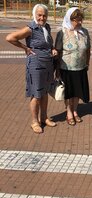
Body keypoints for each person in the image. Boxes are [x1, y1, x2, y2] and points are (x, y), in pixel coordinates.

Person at [6, 4, 57, 134]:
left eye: (44, 15)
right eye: (39, 15)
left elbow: (48, 44)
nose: (42, 17)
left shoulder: (46, 27)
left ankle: (44, 117)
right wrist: (25, 48)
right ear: (35, 15)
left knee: (45, 92)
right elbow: (10, 38)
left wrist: (52, 49)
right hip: (36, 64)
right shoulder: (31, 28)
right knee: (36, 94)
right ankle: (34, 121)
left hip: (47, 64)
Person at [55, 7, 91, 126]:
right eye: (76, 20)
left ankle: (75, 111)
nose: (79, 22)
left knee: (77, 92)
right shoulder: (62, 32)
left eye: (80, 20)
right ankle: (69, 113)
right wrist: (57, 70)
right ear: (69, 19)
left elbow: (88, 49)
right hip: (66, 68)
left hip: (81, 67)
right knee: (69, 92)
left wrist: (87, 62)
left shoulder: (84, 32)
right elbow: (58, 51)